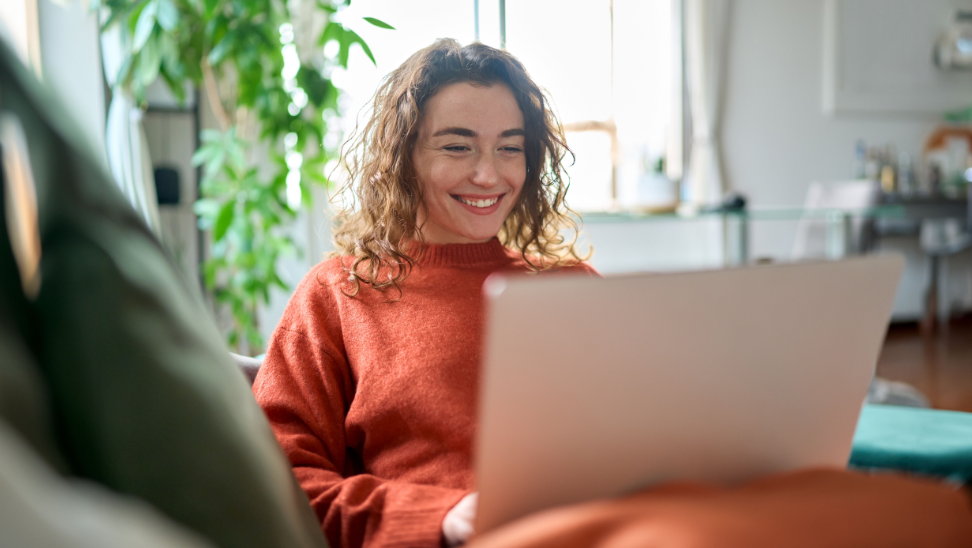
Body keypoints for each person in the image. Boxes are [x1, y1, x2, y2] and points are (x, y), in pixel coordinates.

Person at [253, 38, 595, 548]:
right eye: (457, 146)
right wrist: (441, 515)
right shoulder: (339, 293)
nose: (488, 174)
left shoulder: (575, 287)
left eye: (510, 147)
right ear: (403, 156)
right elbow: (279, 481)